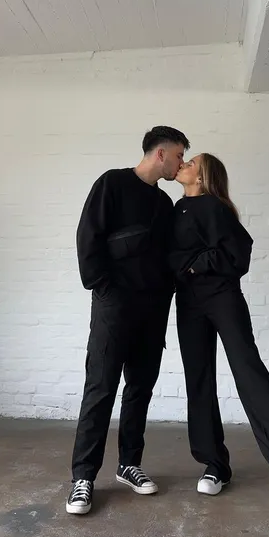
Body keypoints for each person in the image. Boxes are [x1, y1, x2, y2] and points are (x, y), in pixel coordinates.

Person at [169, 153, 269, 505]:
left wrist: (194, 266)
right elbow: (170, 258)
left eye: (191, 163)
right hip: (188, 303)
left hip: (222, 298)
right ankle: (215, 465)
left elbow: (238, 252)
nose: (183, 164)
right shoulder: (176, 209)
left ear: (202, 177)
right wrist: (183, 269)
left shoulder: (215, 207)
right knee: (198, 380)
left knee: (248, 373)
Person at [67, 126, 190, 515]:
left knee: (140, 388)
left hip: (152, 310)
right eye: (179, 155)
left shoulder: (164, 203)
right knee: (100, 387)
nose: (181, 163)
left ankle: (129, 464)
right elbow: (88, 237)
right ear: (160, 153)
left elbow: (167, 255)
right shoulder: (112, 184)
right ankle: (83, 477)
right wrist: (103, 288)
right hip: (114, 305)